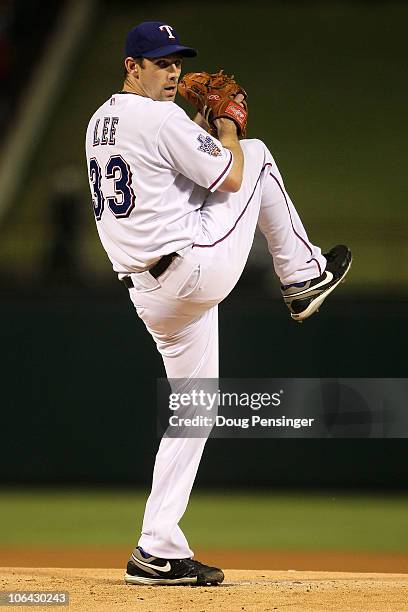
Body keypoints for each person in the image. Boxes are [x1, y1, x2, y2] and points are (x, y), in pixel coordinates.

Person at [85, 21, 351, 586]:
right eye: (160, 61)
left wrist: (204, 133)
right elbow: (228, 177)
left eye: (176, 59)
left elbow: (173, 179)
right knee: (254, 154)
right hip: (191, 272)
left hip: (151, 294)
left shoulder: (98, 122)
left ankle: (155, 549)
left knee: (196, 410)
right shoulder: (160, 117)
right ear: (132, 66)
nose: (174, 70)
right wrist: (225, 126)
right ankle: (305, 275)